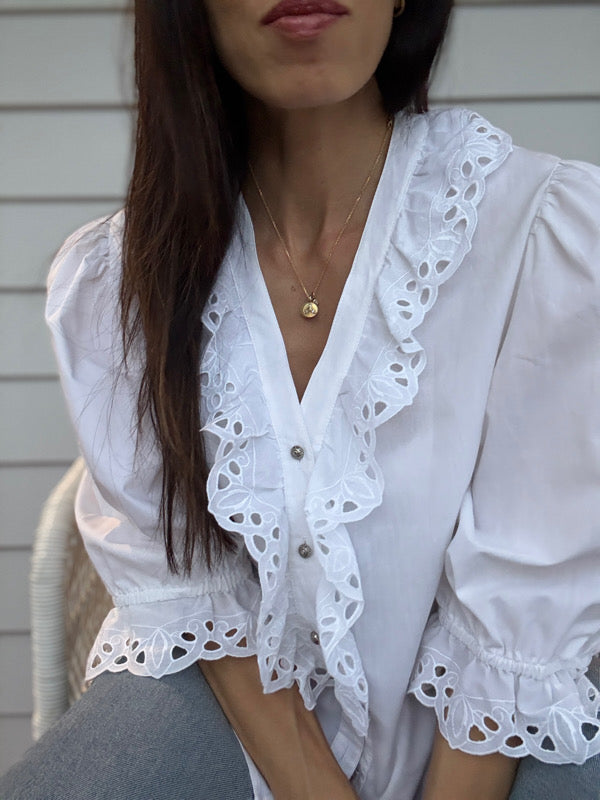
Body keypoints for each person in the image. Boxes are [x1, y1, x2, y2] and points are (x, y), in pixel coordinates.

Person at [1, 1, 599, 798]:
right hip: (243, 731)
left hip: (489, 753)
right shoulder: (117, 281)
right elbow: (195, 591)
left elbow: (522, 613)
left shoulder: (542, 233)